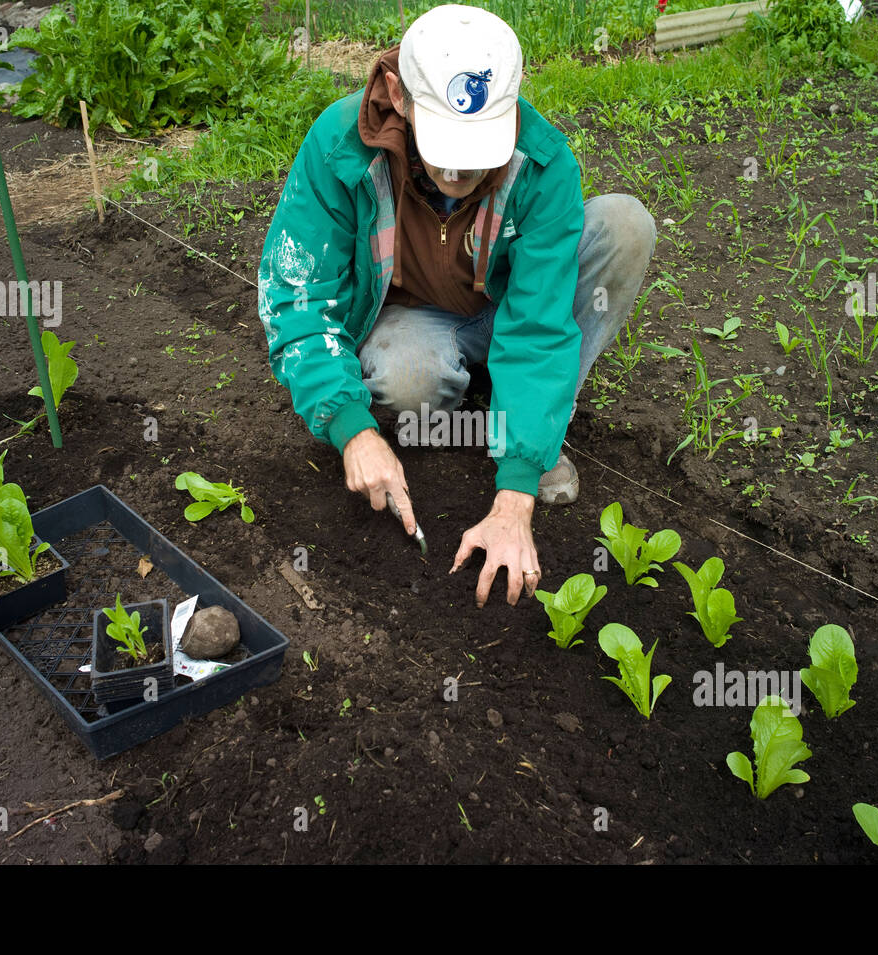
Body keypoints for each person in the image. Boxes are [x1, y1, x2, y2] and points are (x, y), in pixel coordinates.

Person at [258, 3, 655, 608]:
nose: (462, 168)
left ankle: (527, 423)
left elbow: (540, 327)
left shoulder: (541, 163)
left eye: (479, 147)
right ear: (399, 93)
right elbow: (297, 293)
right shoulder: (341, 149)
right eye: (447, 143)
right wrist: (353, 429)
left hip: (508, 304)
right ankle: (479, 392)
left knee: (625, 225)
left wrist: (515, 496)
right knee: (405, 381)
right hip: (418, 314)